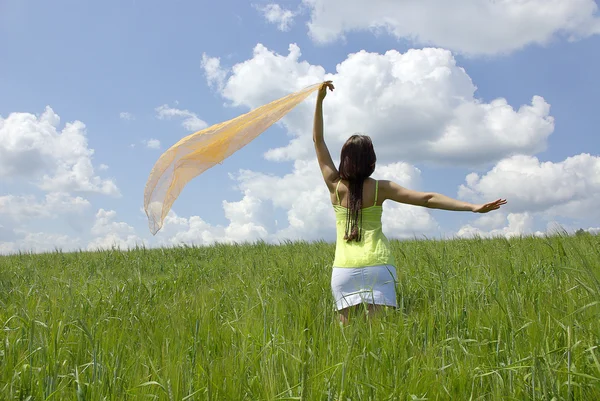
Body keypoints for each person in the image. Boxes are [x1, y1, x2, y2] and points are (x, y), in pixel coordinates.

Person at [313, 81, 507, 324]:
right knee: (379, 339)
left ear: (345, 159)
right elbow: (427, 199)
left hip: (344, 270)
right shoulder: (381, 188)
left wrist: (319, 102)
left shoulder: (334, 185)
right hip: (378, 265)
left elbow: (318, 141)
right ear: (371, 161)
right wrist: (472, 206)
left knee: (344, 341)